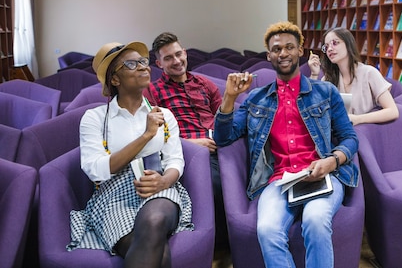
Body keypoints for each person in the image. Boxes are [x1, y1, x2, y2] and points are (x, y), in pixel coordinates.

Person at [214, 21, 359, 268]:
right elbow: (223, 137)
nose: (283, 53)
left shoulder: (325, 92)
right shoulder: (256, 98)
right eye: (277, 49)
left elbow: (350, 138)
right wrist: (229, 98)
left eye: (289, 47)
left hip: (323, 174)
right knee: (268, 230)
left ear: (300, 51)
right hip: (279, 180)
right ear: (269, 55)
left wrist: (331, 161)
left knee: (315, 220)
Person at [68, 41, 193, 267]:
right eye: (132, 64)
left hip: (159, 187)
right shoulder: (94, 118)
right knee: (159, 255)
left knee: (154, 220)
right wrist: (146, 136)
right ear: (114, 79)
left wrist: (164, 181)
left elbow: (175, 160)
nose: (144, 67)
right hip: (112, 197)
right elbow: (96, 170)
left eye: (144, 62)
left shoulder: (164, 115)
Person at [143, 32, 228, 250]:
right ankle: (219, 246)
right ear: (159, 63)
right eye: (168, 58)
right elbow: (154, 134)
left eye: (178, 54)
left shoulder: (204, 84)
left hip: (218, 145)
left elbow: (222, 118)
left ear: (185, 53)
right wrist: (191, 144)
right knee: (218, 185)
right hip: (186, 150)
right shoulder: (153, 91)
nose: (177, 61)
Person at [308, 27, 399, 125]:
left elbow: (392, 111)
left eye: (335, 43)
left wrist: (357, 119)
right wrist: (314, 74)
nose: (329, 49)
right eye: (326, 47)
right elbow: (313, 111)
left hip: (367, 133)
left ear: (348, 44)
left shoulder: (369, 73)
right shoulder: (328, 79)